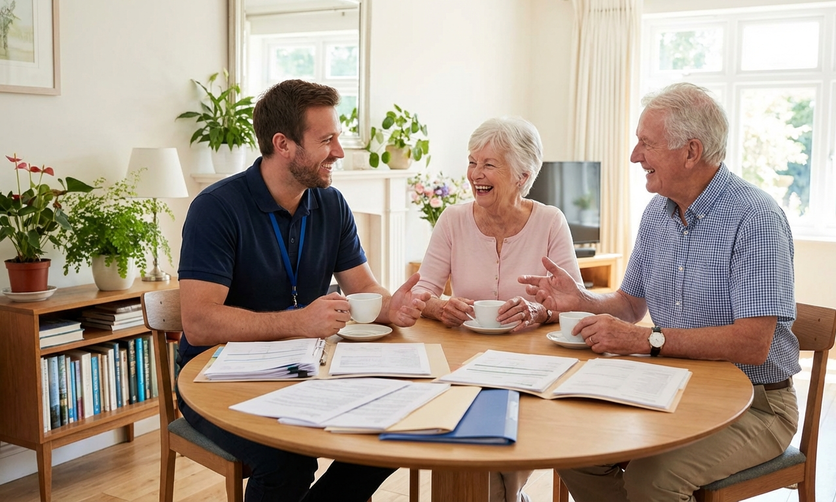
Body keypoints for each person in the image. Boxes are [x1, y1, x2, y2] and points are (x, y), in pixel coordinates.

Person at [519, 82, 800, 501]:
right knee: (575, 450)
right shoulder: (657, 212)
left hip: (758, 405)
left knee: (653, 479)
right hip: (675, 386)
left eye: (646, 144)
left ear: (690, 151)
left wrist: (646, 340)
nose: (635, 156)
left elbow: (754, 344)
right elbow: (630, 304)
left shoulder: (755, 218)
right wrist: (581, 301)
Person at [177, 79, 429, 502]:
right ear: (283, 144)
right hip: (215, 376)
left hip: (305, 368)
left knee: (391, 427)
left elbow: (363, 286)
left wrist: (390, 307)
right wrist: (300, 321)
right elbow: (199, 323)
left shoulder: (330, 204)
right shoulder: (216, 208)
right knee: (286, 461)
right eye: (326, 139)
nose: (340, 152)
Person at [413, 116, 582, 502]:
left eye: (489, 164)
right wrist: (441, 307)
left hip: (531, 365)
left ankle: (510, 492)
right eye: (473, 162)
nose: (476, 174)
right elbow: (423, 292)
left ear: (523, 175)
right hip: (463, 364)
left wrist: (540, 311)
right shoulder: (453, 220)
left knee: (508, 445)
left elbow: (576, 303)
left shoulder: (551, 222)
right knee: (482, 458)